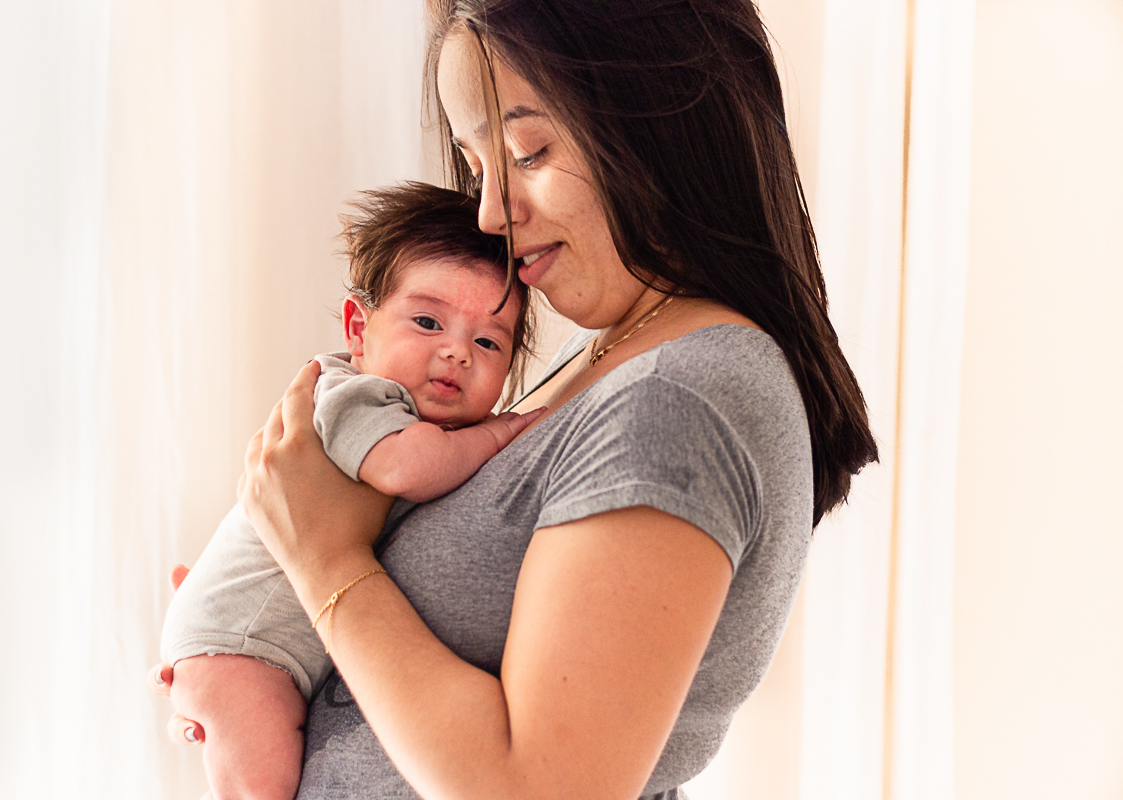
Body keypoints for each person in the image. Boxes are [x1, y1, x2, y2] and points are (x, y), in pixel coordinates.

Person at [149, 1, 879, 798]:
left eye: (528, 152)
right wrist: (250, 639)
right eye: (477, 167)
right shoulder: (600, 354)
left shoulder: (677, 397)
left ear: (657, 118)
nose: (493, 214)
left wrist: (322, 560)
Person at [158, 182, 540, 800]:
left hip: (270, 644)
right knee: (263, 787)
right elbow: (406, 469)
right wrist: (504, 431)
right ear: (358, 328)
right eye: (426, 321)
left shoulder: (419, 416)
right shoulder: (356, 395)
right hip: (243, 644)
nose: (456, 352)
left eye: (488, 342)